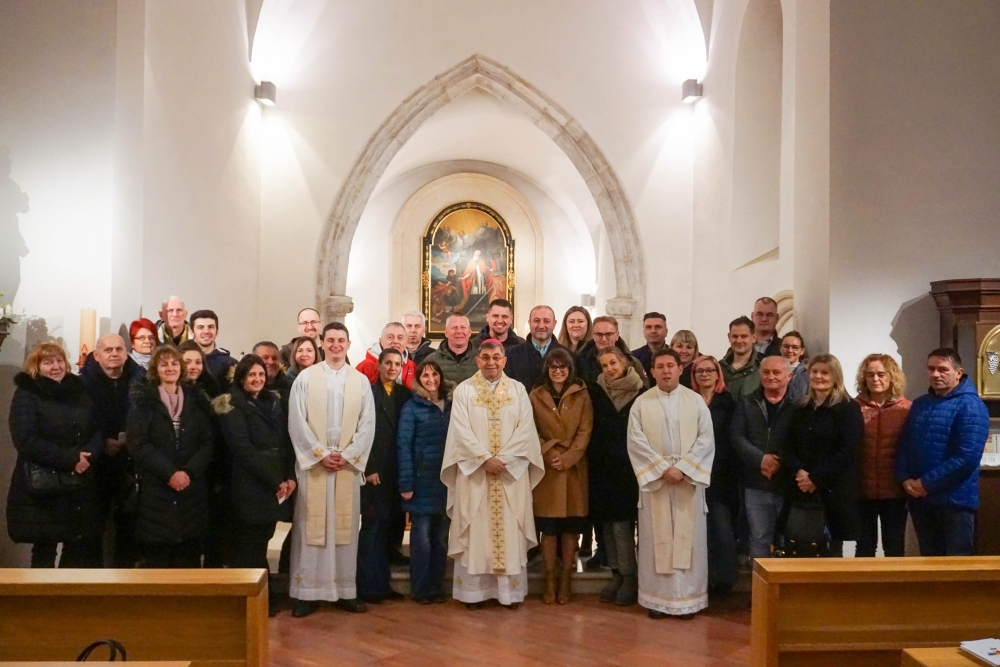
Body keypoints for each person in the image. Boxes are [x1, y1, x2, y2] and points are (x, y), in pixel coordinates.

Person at [442, 340, 544, 610]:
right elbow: (460, 430)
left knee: (509, 531)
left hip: (510, 474)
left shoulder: (518, 390)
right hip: (475, 473)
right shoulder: (464, 391)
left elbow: (526, 429)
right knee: (476, 531)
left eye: (496, 357)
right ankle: (473, 594)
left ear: (504, 361)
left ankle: (508, 594)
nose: (491, 362)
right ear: (477, 361)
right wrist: (484, 459)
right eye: (485, 357)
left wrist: (505, 459)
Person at [287, 322, 376, 617]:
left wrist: (348, 455)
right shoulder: (306, 378)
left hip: (346, 468)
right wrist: (320, 454)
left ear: (348, 344)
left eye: (341, 340)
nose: (336, 345)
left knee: (345, 530)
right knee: (310, 528)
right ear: (322, 343)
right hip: (315, 465)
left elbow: (368, 423)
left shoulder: (360, 381)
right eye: (331, 340)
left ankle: (345, 591)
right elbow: (297, 421)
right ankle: (307, 593)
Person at [627, 349, 715, 619]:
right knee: (656, 540)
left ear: (680, 369)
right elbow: (636, 441)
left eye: (670, 366)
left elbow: (706, 439)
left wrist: (684, 469)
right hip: (657, 483)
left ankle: (688, 601)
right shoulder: (641, 403)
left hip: (688, 482)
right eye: (660, 366)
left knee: (689, 542)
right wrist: (663, 469)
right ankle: (658, 601)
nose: (666, 371)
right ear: (652, 371)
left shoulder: (695, 401)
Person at [7, 343, 104, 568]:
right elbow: (25, 439)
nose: (56, 366)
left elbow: (96, 428)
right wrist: (71, 459)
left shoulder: (79, 390)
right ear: (36, 366)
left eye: (59, 360)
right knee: (45, 549)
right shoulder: (28, 393)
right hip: (45, 485)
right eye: (48, 362)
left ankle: (68, 591)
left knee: (76, 547)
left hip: (79, 483)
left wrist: (87, 457)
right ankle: (42, 592)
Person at [213, 354, 296, 615]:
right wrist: (275, 480)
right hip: (249, 483)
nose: (258, 379)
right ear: (241, 378)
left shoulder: (274, 401)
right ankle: (253, 601)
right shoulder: (232, 405)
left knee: (262, 540)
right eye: (251, 375)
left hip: (274, 483)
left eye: (261, 374)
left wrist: (289, 477)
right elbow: (243, 450)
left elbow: (285, 441)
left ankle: (261, 597)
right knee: (249, 546)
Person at [896, 348, 989, 557]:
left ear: (958, 373)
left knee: (957, 565)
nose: (936, 374)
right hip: (921, 501)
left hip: (955, 502)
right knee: (929, 563)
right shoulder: (920, 404)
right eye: (931, 369)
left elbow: (967, 457)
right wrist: (904, 479)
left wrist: (925, 483)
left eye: (943, 369)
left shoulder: (971, 406)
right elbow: (904, 444)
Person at [127, 345, 214, 567]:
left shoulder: (196, 400)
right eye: (163, 364)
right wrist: (170, 473)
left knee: (189, 560)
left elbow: (207, 442)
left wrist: (188, 472)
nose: (170, 368)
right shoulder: (143, 401)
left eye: (175, 363)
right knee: (159, 561)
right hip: (157, 488)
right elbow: (138, 444)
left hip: (191, 488)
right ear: (155, 369)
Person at [780, 354, 864, 557]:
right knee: (799, 549)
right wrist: (799, 472)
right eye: (814, 372)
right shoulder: (800, 407)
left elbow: (848, 451)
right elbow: (787, 446)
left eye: (825, 372)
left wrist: (815, 478)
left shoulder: (848, 408)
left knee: (831, 553)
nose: (818, 376)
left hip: (833, 490)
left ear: (835, 376)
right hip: (801, 489)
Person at [529, 348, 593, 604]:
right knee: (548, 529)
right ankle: (550, 581)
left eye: (563, 366)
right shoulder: (535, 394)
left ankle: (566, 580)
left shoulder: (581, 393)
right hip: (548, 469)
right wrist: (548, 452)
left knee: (570, 529)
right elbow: (530, 428)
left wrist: (568, 457)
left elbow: (585, 430)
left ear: (570, 369)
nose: (558, 371)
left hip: (573, 468)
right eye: (553, 367)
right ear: (547, 369)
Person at [80, 334, 144, 567]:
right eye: (108, 350)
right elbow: (77, 424)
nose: (114, 354)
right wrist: (102, 443)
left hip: (131, 462)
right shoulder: (81, 384)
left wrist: (133, 440)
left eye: (119, 349)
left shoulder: (141, 381)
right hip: (95, 464)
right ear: (96, 356)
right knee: (92, 528)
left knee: (129, 526)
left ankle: (125, 580)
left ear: (127, 353)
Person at [589, 347, 643, 606]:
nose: (610, 369)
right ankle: (616, 573)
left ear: (624, 363)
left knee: (622, 526)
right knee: (606, 524)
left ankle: (629, 575)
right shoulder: (597, 391)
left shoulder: (640, 391)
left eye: (613, 363)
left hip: (628, 468)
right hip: (601, 466)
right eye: (604, 365)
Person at [357, 348, 411, 603]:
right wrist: (367, 468)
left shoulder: (404, 394)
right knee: (373, 530)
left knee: (390, 529)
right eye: (387, 363)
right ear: (378, 366)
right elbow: (360, 433)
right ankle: (367, 586)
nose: (392, 368)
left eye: (397, 364)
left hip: (396, 471)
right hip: (375, 472)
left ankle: (383, 584)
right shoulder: (367, 393)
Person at [397, 360, 453, 603]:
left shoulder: (451, 405)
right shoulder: (412, 407)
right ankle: (420, 589)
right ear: (419, 380)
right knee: (421, 541)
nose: (431, 379)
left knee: (441, 539)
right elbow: (403, 445)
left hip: (446, 481)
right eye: (425, 376)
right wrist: (406, 483)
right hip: (421, 481)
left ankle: (435, 587)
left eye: (434, 374)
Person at [731, 355, 796, 562]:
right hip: (755, 483)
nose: (771, 377)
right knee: (759, 538)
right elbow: (737, 436)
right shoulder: (747, 402)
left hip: (788, 484)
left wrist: (779, 461)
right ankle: (759, 583)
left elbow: (802, 440)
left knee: (789, 539)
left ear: (789, 376)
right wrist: (761, 459)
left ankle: (787, 583)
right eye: (766, 372)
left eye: (777, 372)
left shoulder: (799, 405)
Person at [854, 354, 911, 558]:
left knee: (894, 547)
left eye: (881, 374)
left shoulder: (906, 409)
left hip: (895, 490)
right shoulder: (854, 407)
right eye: (870, 375)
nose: (875, 379)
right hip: (862, 490)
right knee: (864, 548)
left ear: (891, 376)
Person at [691, 354, 738, 598]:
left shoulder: (728, 402)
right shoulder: (688, 401)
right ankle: (704, 580)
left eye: (710, 370)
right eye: (700, 371)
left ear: (718, 374)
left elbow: (731, 439)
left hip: (721, 475)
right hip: (692, 474)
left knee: (722, 531)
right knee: (699, 534)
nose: (705, 375)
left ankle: (725, 580)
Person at [505, 305, 564, 390]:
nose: (541, 326)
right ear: (529, 323)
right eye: (536, 321)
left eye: (546, 321)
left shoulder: (567, 356)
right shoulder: (511, 355)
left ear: (554, 324)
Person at [576, 316, 647, 387]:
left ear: (617, 335)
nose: (604, 339)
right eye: (599, 334)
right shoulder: (579, 362)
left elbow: (645, 390)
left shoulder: (632, 362)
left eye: (608, 334)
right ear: (593, 336)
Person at [355, 322, 417, 389]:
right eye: (390, 337)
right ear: (381, 341)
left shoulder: (412, 366)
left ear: (406, 342)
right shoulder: (365, 366)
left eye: (400, 338)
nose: (395, 341)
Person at [425, 312, 478, 385]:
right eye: (454, 327)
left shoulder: (481, 359)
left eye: (463, 327)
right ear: (446, 332)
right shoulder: (431, 360)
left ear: (469, 332)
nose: (459, 331)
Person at [190, 310, 237, 383]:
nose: (206, 331)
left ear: (217, 331)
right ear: (192, 332)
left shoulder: (230, 364)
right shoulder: (180, 360)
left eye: (211, 327)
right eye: (200, 327)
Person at [721, 316, 761, 401]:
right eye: (735, 336)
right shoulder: (719, 368)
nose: (739, 341)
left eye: (744, 336)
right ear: (729, 337)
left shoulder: (762, 368)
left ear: (754, 338)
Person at [253, 340, 294, 414]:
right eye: (265, 358)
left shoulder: (291, 389)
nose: (271, 362)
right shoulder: (243, 389)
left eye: (274, 358)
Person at [631, 312, 668, 380]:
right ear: (643, 331)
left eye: (658, 327)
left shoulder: (676, 356)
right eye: (648, 327)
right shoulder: (633, 358)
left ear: (666, 332)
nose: (653, 331)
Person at [780, 331, 809, 402]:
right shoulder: (771, 371)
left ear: (802, 351)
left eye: (795, 347)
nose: (790, 350)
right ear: (780, 348)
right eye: (786, 346)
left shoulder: (808, 374)